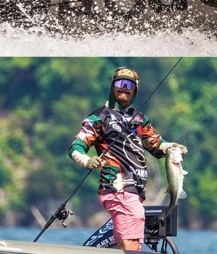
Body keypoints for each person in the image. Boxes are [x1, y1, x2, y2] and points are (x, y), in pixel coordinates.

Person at [68, 67, 186, 250]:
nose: (124, 87)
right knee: (132, 243)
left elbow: (155, 144)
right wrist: (87, 160)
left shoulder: (140, 119)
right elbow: (76, 147)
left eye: (129, 84)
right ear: (112, 87)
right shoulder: (100, 117)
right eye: (119, 83)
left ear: (135, 90)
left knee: (128, 244)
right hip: (118, 188)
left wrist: (172, 147)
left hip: (135, 191)